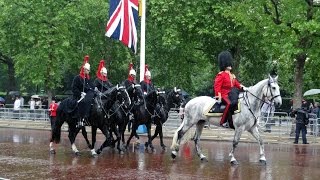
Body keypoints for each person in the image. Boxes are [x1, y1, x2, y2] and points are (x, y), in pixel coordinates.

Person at [213, 51, 247, 128]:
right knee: (229, 103)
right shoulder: (221, 75)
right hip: (224, 94)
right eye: (228, 64)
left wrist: (243, 88)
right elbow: (217, 86)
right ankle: (223, 121)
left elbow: (236, 84)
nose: (230, 65)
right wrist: (218, 96)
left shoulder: (232, 75)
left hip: (231, 94)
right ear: (224, 65)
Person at [72, 55, 95, 127]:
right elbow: (74, 88)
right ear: (84, 69)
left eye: (88, 70)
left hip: (87, 95)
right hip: (79, 96)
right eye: (87, 70)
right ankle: (80, 119)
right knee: (82, 102)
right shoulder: (77, 78)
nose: (88, 71)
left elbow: (92, 87)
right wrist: (80, 93)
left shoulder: (88, 79)